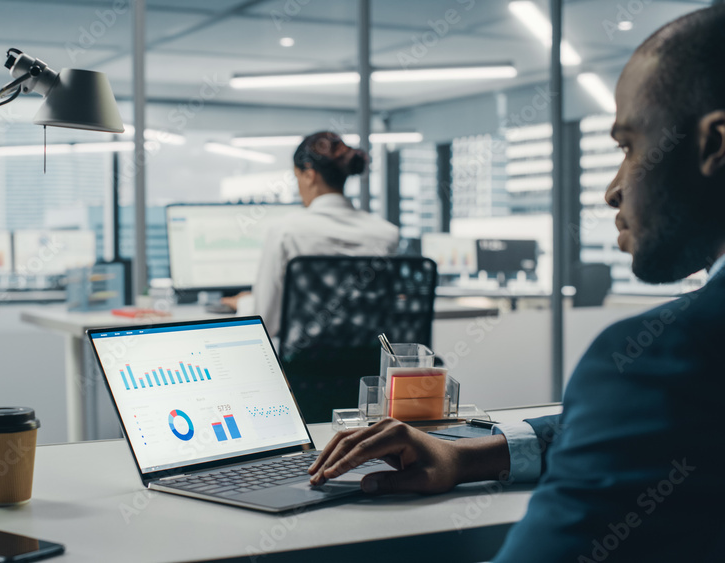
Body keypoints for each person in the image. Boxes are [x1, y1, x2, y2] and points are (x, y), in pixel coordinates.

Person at [308, 6, 725, 562]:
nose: (612, 190)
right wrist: (471, 456)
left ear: (714, 145)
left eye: (628, 146)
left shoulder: (662, 362)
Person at [223, 131, 399, 338]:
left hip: (301, 367)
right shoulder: (387, 234)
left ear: (309, 175)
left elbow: (265, 323)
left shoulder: (285, 232)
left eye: (297, 177)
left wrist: (245, 302)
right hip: (371, 365)